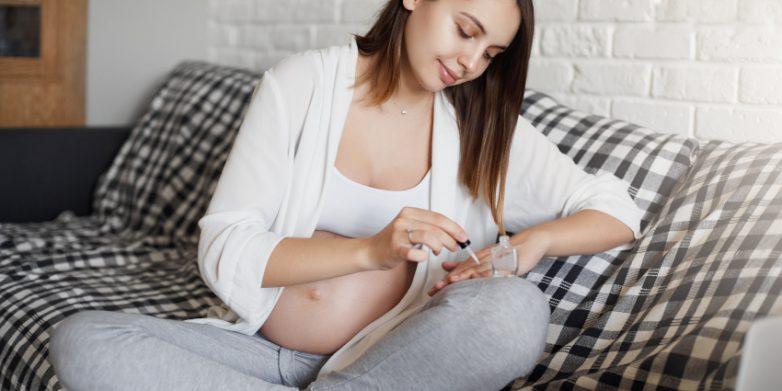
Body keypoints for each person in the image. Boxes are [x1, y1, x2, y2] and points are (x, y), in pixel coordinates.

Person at [48, 0, 643, 390]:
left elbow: (617, 212)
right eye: (466, 31)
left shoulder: (482, 126)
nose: (469, 62)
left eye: (490, 54)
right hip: (259, 360)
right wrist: (371, 250)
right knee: (84, 339)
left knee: (517, 308)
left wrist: (533, 242)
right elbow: (226, 243)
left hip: (392, 365)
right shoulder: (301, 85)